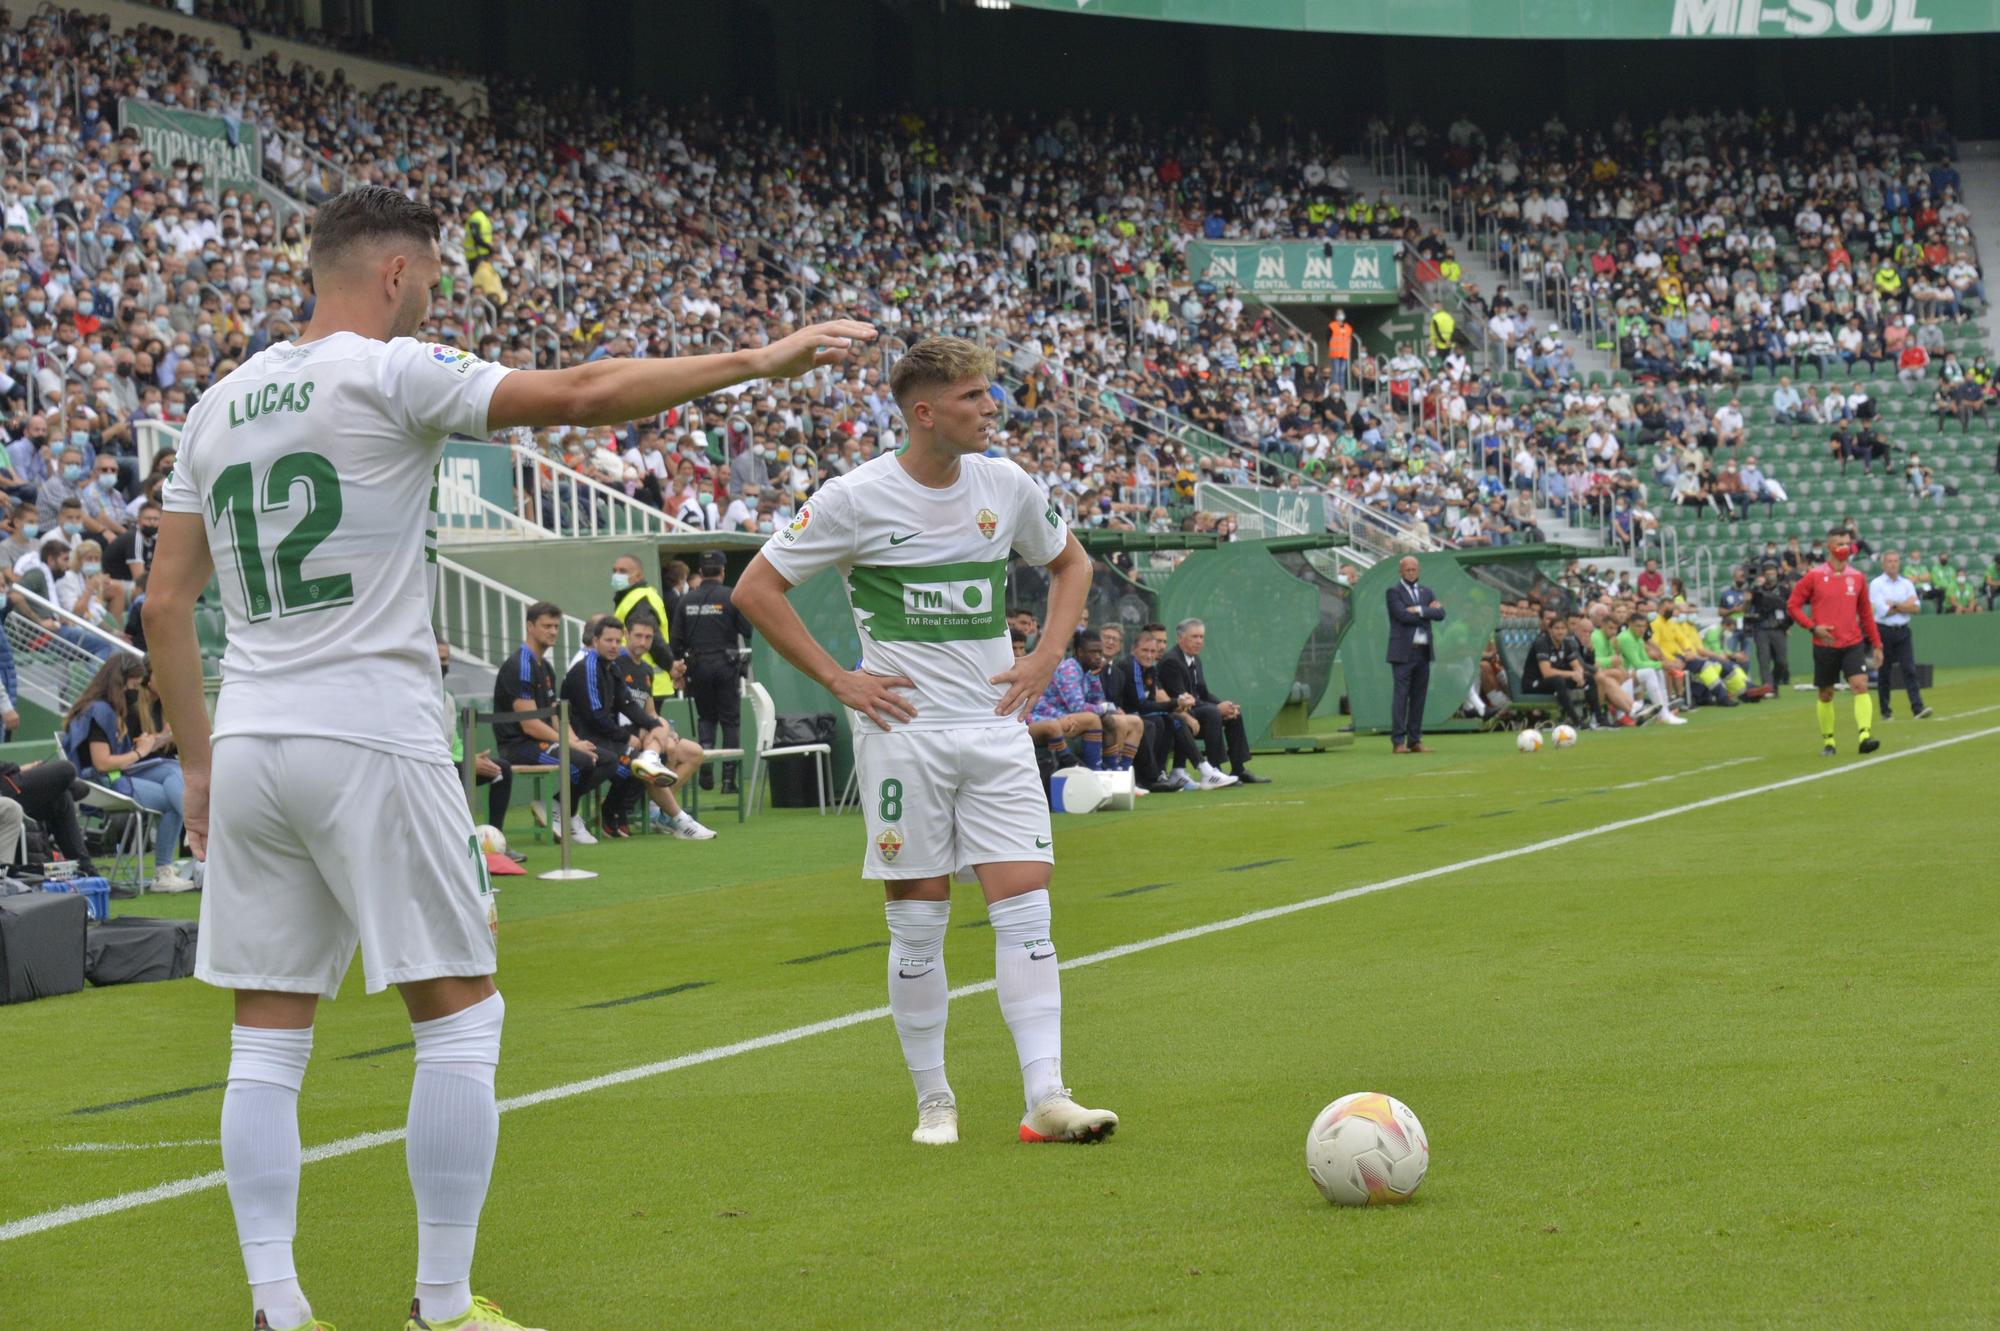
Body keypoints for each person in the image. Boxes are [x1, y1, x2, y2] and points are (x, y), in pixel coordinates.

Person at [143, 184, 873, 1331]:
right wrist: (753, 361)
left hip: (252, 734)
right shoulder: (388, 370)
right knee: (458, 1016)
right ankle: (439, 1301)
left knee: (268, 1031)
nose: (435, 292)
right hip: (368, 728)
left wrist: (194, 762)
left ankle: (276, 1306)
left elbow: (164, 602)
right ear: (393, 273)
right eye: (430, 274)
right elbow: (582, 393)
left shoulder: (217, 402)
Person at [734, 334, 1117, 1149]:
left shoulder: (1006, 485)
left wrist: (1047, 655)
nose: (992, 409)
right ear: (925, 411)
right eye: (976, 397)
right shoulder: (853, 497)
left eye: (990, 394)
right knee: (919, 922)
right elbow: (755, 588)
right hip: (903, 738)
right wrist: (841, 679)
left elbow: (1071, 565)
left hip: (994, 730)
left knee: (1028, 908)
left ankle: (1047, 1094)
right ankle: (935, 1099)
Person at [59, 653, 193, 891]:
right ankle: (174, 857)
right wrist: (141, 752)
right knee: (174, 798)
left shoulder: (104, 707)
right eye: (132, 686)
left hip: (118, 774)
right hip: (100, 781)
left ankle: (190, 829)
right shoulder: (101, 710)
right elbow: (102, 763)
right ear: (119, 683)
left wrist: (151, 744)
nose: (134, 691)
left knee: (172, 769)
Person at [491, 601, 609, 846]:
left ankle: (556, 807)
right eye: (547, 626)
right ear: (530, 626)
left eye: (556, 626)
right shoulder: (519, 666)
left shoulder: (545, 666)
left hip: (541, 741)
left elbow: (554, 714)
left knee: (608, 760)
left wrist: (576, 740)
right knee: (582, 761)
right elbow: (530, 725)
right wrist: (572, 746)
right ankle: (565, 813)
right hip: (518, 746)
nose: (553, 631)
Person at [560, 614, 681, 839]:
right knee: (620, 761)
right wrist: (625, 737)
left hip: (600, 735)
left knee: (633, 762)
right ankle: (564, 805)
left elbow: (627, 704)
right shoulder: (587, 667)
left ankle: (610, 814)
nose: (614, 645)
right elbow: (595, 715)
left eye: (617, 641)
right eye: (608, 640)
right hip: (580, 736)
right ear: (595, 641)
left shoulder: (612, 668)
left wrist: (654, 725)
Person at [1786, 524, 1884, 756]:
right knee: (1826, 693)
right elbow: (1793, 606)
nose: (1844, 548)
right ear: (1829, 546)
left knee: (1859, 685)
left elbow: (1866, 614)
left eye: (1847, 543)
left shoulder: (1857, 577)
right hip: (1825, 644)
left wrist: (1877, 644)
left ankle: (1865, 736)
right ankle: (1829, 741)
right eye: (1839, 544)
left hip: (1852, 643)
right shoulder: (1814, 576)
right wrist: (1813, 627)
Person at [615, 619, 716, 839]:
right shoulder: (616, 664)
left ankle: (657, 809)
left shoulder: (646, 669)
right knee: (667, 748)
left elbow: (650, 712)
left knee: (693, 752)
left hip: (647, 733)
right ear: (627, 634)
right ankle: (666, 812)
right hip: (625, 736)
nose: (643, 642)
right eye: (638, 636)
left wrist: (665, 728)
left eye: (648, 637)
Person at [671, 549, 750, 793]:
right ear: (723, 571)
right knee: (730, 721)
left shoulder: (686, 600)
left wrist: (681, 668)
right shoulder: (731, 597)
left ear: (701, 572)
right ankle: (728, 780)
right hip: (726, 665)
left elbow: (676, 641)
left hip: (698, 666)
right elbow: (747, 630)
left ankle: (704, 764)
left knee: (706, 718)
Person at [1157, 618, 1265, 784]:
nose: (1199, 641)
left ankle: (1239, 768)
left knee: (1233, 714)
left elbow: (1203, 694)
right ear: (1180, 638)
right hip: (1180, 713)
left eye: (1201, 637)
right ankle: (1215, 770)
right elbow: (1183, 699)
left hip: (1197, 711)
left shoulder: (1196, 660)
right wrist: (1217, 708)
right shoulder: (1171, 662)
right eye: (1194, 636)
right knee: (1212, 712)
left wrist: (1225, 706)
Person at [1102, 622, 1203, 792]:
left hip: (1130, 713)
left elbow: (1151, 700)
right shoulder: (1130, 666)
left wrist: (1175, 705)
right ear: (1134, 650)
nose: (1149, 655)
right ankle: (1147, 778)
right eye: (1145, 651)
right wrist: (1174, 703)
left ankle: (1163, 772)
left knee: (1169, 720)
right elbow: (1140, 703)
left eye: (1152, 652)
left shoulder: (1149, 669)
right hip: (1125, 713)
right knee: (1152, 723)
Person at [1027, 629, 1144, 774]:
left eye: (1099, 652)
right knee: (1093, 719)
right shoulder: (1069, 669)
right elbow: (1078, 707)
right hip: (1047, 717)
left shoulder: (1087, 670)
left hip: (1069, 715)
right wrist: (1106, 708)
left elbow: (1096, 701)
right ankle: (1096, 771)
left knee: (1134, 722)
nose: (1098, 657)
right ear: (1079, 652)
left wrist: (1095, 678)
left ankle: (1121, 772)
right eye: (1092, 652)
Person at [1384, 555, 1446, 752]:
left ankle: (1415, 740)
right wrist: (1427, 613)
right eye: (1407, 569)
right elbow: (1401, 615)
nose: (1411, 572)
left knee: (1419, 697)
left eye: (1414, 569)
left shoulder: (1426, 591)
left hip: (1423, 652)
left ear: (1418, 570)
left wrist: (1418, 609)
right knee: (1401, 696)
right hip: (1403, 653)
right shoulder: (1393, 591)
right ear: (1400, 571)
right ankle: (1398, 742)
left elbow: (1441, 614)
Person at [1868, 550, 1932, 721]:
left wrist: (1895, 605)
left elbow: (1917, 608)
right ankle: (1885, 710)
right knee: (1884, 672)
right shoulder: (1876, 584)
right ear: (1883, 564)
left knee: (1909, 669)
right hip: (1884, 631)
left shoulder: (1906, 583)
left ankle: (1917, 707)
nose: (1893, 564)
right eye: (1889, 561)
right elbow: (1882, 612)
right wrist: (1905, 605)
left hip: (1903, 630)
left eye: (1896, 561)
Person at [610, 552, 677, 697]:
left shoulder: (639, 600)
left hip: (645, 682)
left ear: (639, 576)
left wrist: (671, 666)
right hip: (641, 680)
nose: (616, 575)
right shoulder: (634, 598)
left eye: (623, 571)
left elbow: (652, 639)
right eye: (614, 571)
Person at [1522, 605, 1586, 727]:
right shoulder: (1542, 643)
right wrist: (1573, 674)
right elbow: (1547, 673)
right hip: (1533, 684)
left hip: (1552, 683)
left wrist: (1579, 674)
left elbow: (1577, 665)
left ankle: (1599, 718)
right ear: (1550, 630)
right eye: (1556, 628)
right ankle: (1576, 720)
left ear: (1567, 630)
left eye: (1563, 628)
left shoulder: (1566, 644)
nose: (1560, 631)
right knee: (1558, 680)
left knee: (1589, 679)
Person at [1748, 563, 1792, 689]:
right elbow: (1749, 606)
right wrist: (1755, 588)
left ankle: (1775, 682)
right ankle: (1767, 687)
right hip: (1761, 628)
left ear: (1777, 573)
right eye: (1767, 573)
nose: (1770, 575)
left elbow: (1791, 608)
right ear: (1763, 575)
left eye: (1772, 572)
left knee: (1782, 661)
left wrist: (1788, 624)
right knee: (1764, 659)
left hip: (1779, 628)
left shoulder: (1784, 590)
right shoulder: (1757, 590)